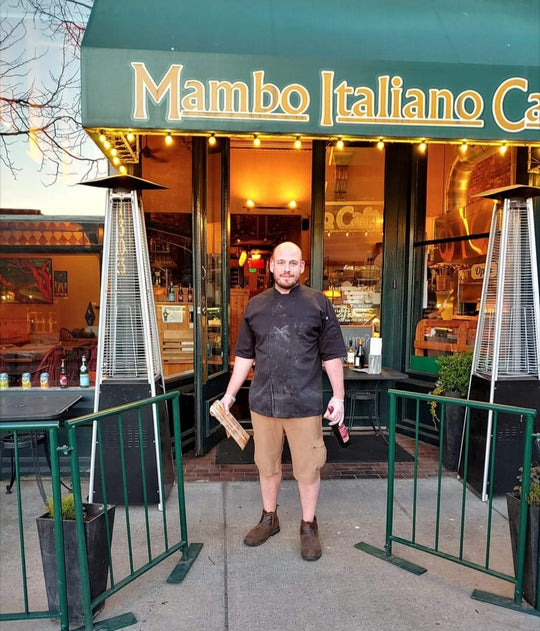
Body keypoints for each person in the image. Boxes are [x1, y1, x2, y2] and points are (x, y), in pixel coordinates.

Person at [219, 241, 346, 561]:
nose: (287, 268)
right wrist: (230, 395)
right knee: (267, 465)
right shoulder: (255, 306)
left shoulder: (318, 304)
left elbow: (332, 356)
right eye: (281, 263)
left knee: (308, 469)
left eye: (294, 263)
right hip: (264, 403)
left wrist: (339, 397)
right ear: (271, 267)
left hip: (305, 403)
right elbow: (244, 357)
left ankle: (307, 526)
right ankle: (269, 518)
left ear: (302, 267)